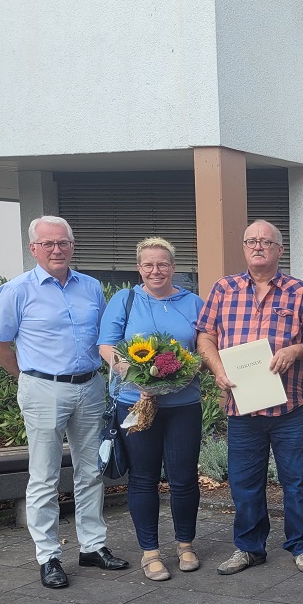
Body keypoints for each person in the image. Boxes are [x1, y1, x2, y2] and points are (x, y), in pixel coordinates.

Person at [0, 216, 129, 588]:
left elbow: (103, 339)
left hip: (90, 386)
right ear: (33, 248)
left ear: (72, 244)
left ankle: (92, 547)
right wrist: (28, 380)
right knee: (45, 476)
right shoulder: (16, 291)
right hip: (42, 389)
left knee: (91, 471)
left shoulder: (92, 287)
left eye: (62, 242)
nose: (56, 250)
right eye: (47, 244)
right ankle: (48, 556)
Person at [196, 220, 303, 576]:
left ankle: (301, 545)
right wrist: (217, 368)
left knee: (296, 480)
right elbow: (206, 336)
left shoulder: (302, 292)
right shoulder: (224, 289)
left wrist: (296, 349)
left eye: (266, 241)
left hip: (290, 406)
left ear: (280, 250)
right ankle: (249, 548)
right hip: (242, 407)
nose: (258, 246)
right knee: (244, 481)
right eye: (251, 240)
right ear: (244, 248)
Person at [98, 238, 205, 581]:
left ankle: (186, 545)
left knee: (184, 477)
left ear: (174, 267)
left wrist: (188, 370)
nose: (155, 270)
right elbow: (107, 345)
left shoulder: (193, 302)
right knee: (143, 477)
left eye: (162, 264)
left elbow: (204, 346)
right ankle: (150, 552)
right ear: (139, 268)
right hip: (136, 402)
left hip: (183, 404)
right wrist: (133, 375)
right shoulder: (125, 300)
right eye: (148, 265)